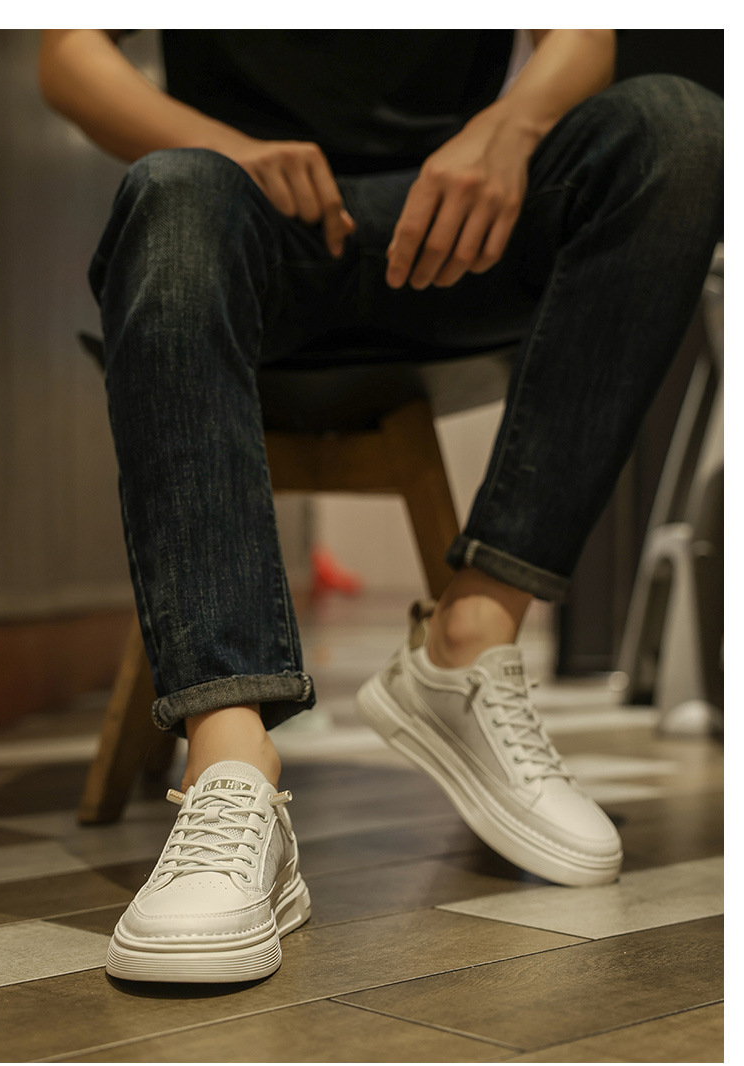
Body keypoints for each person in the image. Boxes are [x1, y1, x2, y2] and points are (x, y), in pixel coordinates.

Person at [38, 29, 723, 983]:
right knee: (173, 188)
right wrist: (231, 150)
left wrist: (509, 129)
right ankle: (231, 763)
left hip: (456, 228)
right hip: (243, 222)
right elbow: (66, 52)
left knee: (681, 131)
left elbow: (582, 31)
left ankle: (467, 644)